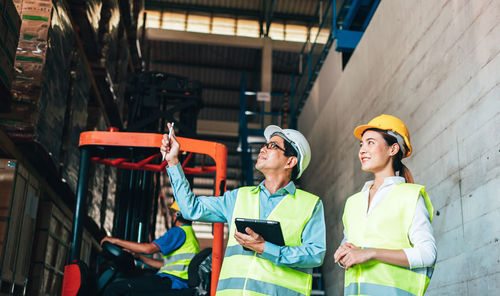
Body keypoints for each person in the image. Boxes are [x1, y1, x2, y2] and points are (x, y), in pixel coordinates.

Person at [161, 124, 326, 296]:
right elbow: (190, 209)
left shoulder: (310, 205)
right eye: (264, 144)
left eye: (272, 146)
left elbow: (315, 254)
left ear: (290, 161)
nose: (263, 149)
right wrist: (173, 161)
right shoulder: (238, 197)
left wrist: (265, 248)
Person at [334, 114, 437, 296]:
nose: (362, 150)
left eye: (370, 142)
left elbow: (428, 253)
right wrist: (344, 255)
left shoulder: (409, 196)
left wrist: (371, 254)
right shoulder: (353, 203)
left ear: (393, 149)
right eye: (361, 144)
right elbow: (351, 251)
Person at [100, 201, 200, 295]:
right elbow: (164, 265)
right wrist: (138, 257)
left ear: (176, 215)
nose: (172, 215)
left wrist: (115, 241)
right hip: (177, 283)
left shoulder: (178, 232)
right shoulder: (190, 235)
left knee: (114, 289)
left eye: (173, 212)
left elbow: (148, 249)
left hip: (170, 282)